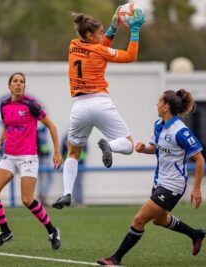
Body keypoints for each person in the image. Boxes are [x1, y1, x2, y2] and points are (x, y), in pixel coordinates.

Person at [97, 89, 206, 265]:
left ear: (166, 106)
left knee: (140, 219)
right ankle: (195, 234)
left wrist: (197, 188)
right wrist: (143, 148)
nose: (156, 104)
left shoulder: (181, 131)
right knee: (159, 220)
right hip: (160, 181)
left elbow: (200, 159)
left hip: (173, 185)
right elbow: (154, 148)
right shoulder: (159, 124)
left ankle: (116, 258)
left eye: (159, 102)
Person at [52, 8, 146, 209]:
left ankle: (67, 193)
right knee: (128, 145)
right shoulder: (100, 50)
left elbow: (99, 47)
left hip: (78, 107)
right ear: (89, 35)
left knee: (72, 153)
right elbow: (130, 56)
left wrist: (113, 27)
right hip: (100, 103)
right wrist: (135, 29)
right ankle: (110, 147)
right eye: (100, 32)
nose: (103, 35)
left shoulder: (73, 45)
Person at [0, 72, 63, 250]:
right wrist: (0, 139)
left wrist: (57, 152)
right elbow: (7, 126)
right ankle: (5, 231)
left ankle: (52, 231)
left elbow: (52, 127)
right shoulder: (4, 105)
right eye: (15, 81)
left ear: (24, 86)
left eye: (22, 82)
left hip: (28, 157)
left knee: (27, 200)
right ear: (9, 85)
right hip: (9, 156)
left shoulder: (31, 105)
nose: (19, 84)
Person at [61, 133, 87, 205]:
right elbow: (62, 149)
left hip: (80, 164)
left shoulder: (83, 135)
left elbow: (85, 150)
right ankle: (69, 200)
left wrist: (80, 160)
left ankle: (78, 200)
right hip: (71, 163)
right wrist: (65, 161)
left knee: (78, 182)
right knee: (69, 182)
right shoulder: (66, 137)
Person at [37, 123, 54, 206]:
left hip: (44, 158)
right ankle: (42, 195)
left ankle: (42, 195)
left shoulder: (42, 131)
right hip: (41, 159)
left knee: (47, 178)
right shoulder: (38, 132)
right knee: (45, 178)